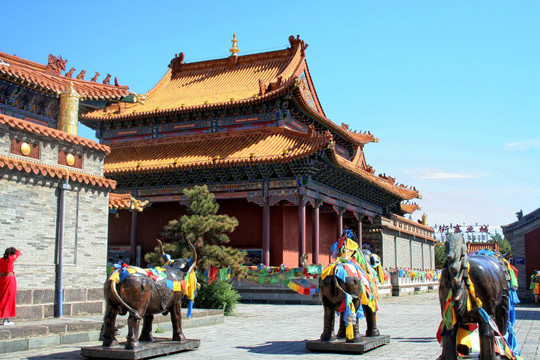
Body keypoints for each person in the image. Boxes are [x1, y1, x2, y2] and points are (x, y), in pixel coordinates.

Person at [0, 247, 21, 325]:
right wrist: (13, 251)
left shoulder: (1, 260)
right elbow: (18, 252)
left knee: (2, 298)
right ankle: (6, 319)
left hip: (1, 280)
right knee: (9, 299)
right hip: (9, 280)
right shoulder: (11, 259)